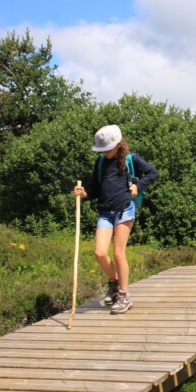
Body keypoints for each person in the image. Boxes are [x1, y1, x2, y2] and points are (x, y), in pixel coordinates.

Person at [73, 125, 158, 314]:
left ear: (118, 145)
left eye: (107, 149)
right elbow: (95, 188)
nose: (104, 153)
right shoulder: (101, 163)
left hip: (124, 210)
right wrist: (85, 193)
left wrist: (138, 186)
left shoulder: (130, 159)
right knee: (100, 253)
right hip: (105, 212)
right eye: (101, 150)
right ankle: (114, 282)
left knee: (119, 254)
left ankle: (123, 295)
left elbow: (153, 173)